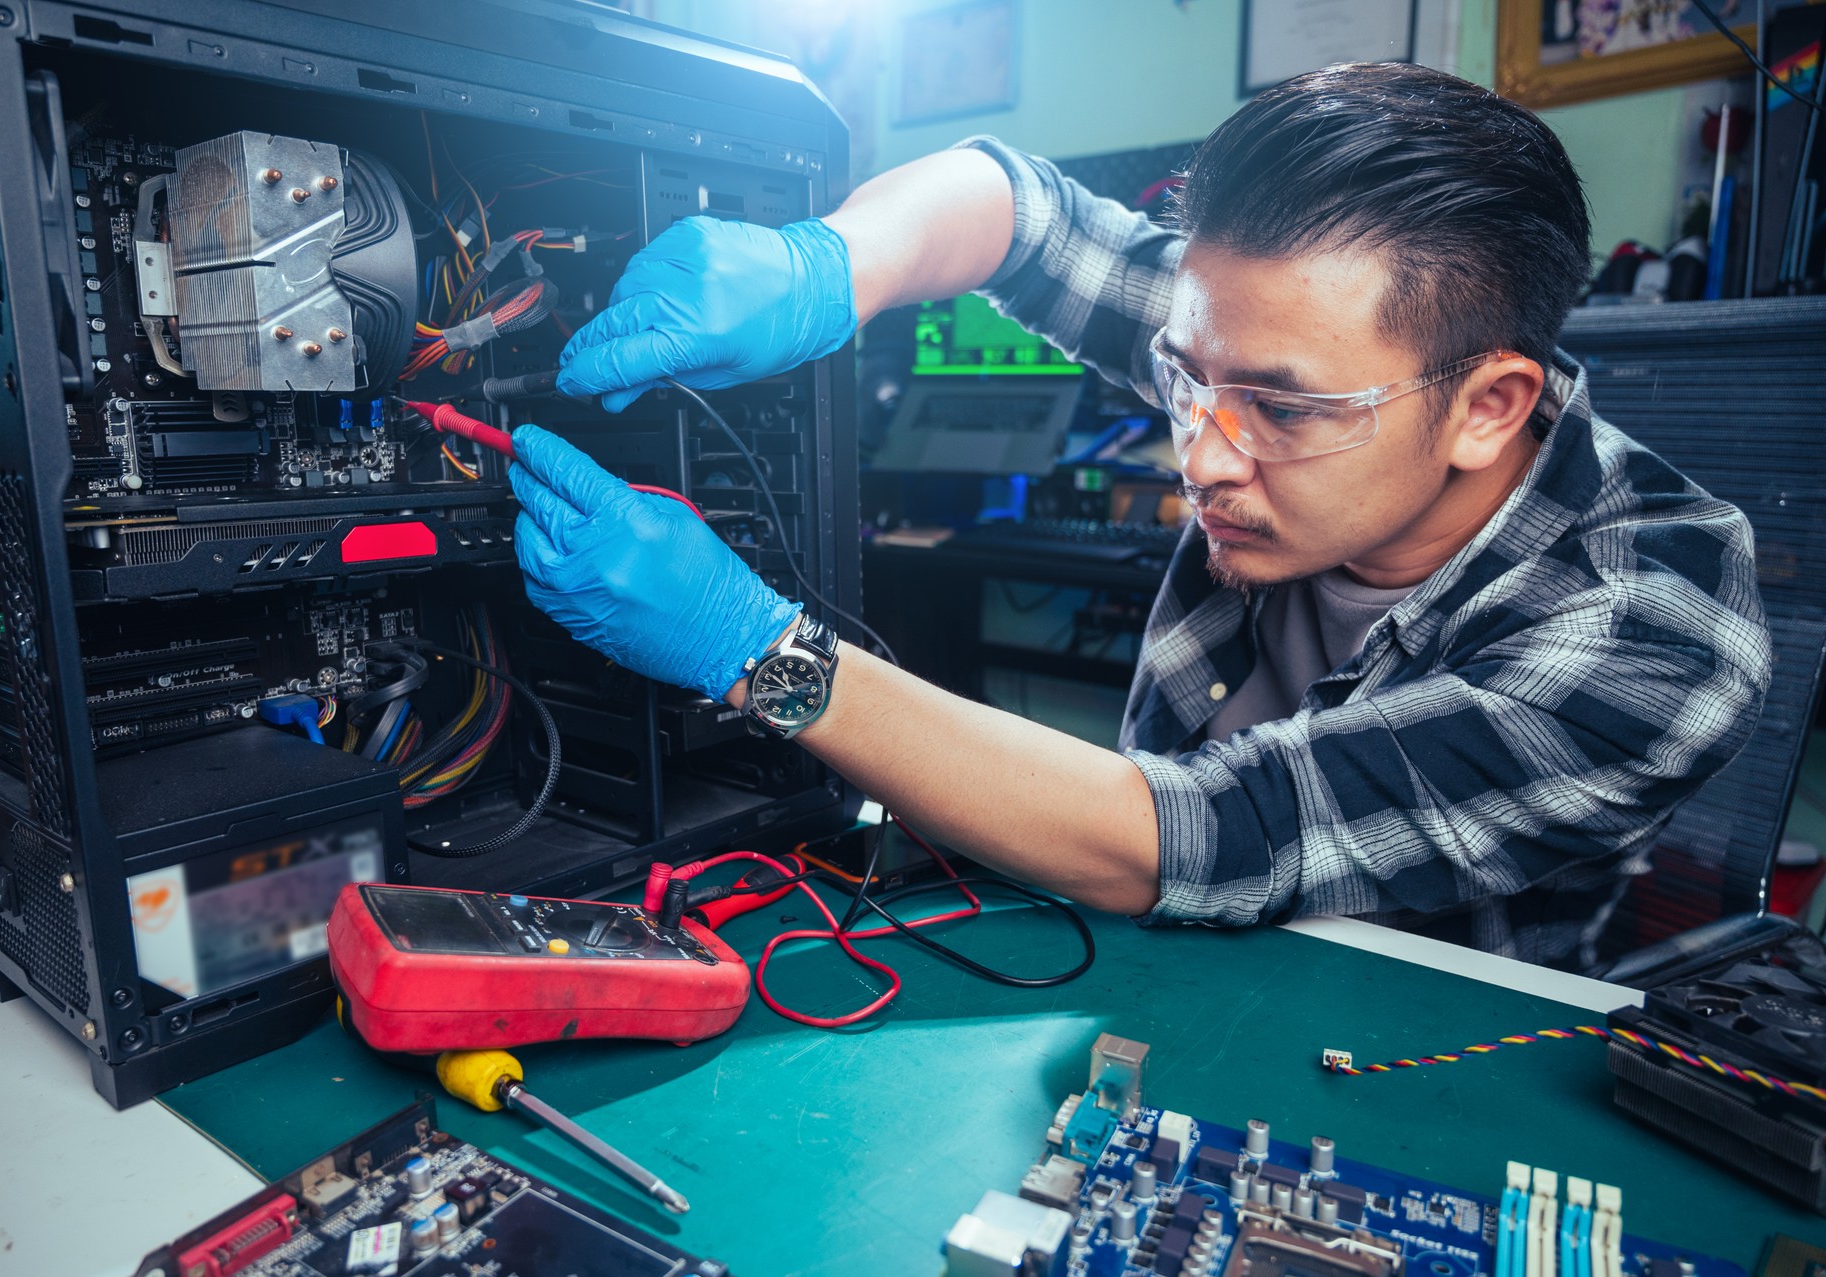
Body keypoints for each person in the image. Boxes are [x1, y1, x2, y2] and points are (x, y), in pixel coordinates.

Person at [505, 62, 1770, 971]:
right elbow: (1012, 208)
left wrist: (757, 651)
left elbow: (1201, 833)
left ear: (1490, 405)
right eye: (1183, 379)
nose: (1203, 460)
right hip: (1140, 957)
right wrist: (835, 263)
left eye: (1281, 412)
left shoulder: (1656, 628)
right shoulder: (1268, 325)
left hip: (1406, 1044)